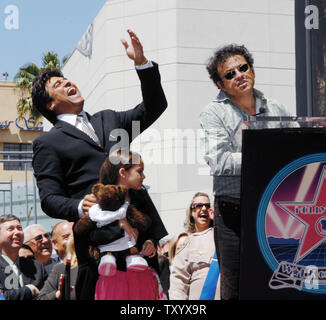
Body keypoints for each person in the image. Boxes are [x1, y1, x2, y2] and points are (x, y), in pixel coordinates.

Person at [200, 44, 294, 299]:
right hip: (234, 211)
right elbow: (218, 161)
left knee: (278, 279)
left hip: (277, 209)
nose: (239, 75)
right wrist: (262, 156)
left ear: (251, 69)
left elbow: (298, 145)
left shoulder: (276, 108)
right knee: (236, 284)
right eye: (230, 74)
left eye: (243, 68)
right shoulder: (213, 113)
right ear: (220, 85)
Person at [74, 150, 167, 300]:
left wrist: (150, 242)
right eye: (140, 171)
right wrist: (119, 225)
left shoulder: (141, 195)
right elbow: (84, 235)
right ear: (123, 172)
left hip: (140, 277)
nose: (144, 176)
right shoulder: (97, 198)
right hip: (107, 279)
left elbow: (152, 229)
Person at [169, 193, 219, 300]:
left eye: (207, 205)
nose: (204, 208)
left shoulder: (222, 236)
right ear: (191, 212)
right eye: (199, 205)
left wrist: (219, 221)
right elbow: (178, 280)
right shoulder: (186, 242)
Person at [0, 215, 47, 300]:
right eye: (10, 229)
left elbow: (46, 295)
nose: (17, 232)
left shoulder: (37, 267)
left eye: (19, 228)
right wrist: (29, 290)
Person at [38, 234, 78, 300]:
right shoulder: (62, 268)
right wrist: (58, 294)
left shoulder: (99, 266)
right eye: (66, 237)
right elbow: (41, 298)